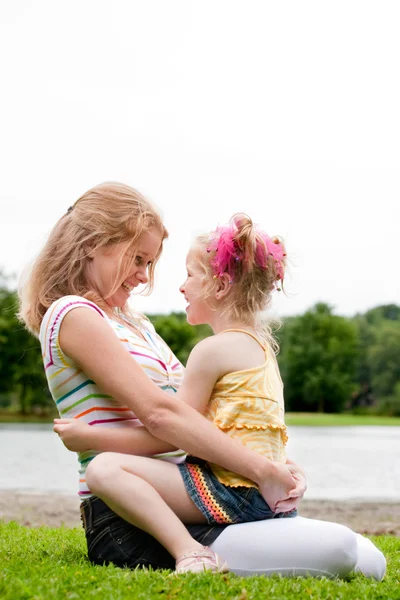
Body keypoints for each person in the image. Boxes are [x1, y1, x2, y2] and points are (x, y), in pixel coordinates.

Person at [18, 182, 386, 579]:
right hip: (133, 514)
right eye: (137, 258)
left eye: (149, 263)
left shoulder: (138, 324)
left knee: (368, 559)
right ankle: (192, 552)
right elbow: (163, 416)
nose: (143, 277)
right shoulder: (73, 314)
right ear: (92, 243)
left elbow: (200, 418)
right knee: (341, 551)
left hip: (197, 491)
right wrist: (260, 471)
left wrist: (270, 460)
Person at [52, 213, 299, 573]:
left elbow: (169, 431)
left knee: (104, 469)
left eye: (189, 275)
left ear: (220, 285)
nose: (181, 287)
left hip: (229, 492)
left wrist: (90, 437)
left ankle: (191, 551)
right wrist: (288, 472)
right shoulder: (262, 352)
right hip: (261, 496)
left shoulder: (211, 352)